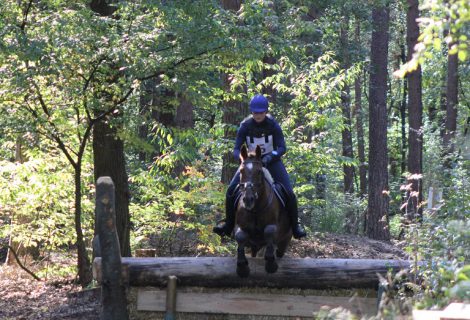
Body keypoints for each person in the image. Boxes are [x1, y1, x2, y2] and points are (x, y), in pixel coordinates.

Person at [213, 94, 307, 239]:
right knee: (231, 190)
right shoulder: (245, 126)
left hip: (272, 161)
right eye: (255, 112)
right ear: (252, 112)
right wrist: (243, 159)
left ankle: (295, 227)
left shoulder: (273, 125)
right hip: (250, 163)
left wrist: (270, 156)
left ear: (266, 111)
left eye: (261, 112)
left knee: (289, 192)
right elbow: (237, 149)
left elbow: (282, 147)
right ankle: (228, 225)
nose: (258, 115)